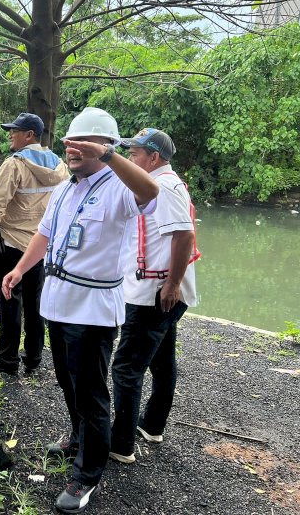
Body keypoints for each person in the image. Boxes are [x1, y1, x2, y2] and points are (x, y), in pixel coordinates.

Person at [1, 107, 159, 514]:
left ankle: (87, 475)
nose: (72, 150)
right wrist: (20, 269)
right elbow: (44, 234)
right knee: (67, 382)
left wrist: (108, 156)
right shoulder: (64, 189)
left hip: (92, 312)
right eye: (70, 143)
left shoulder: (119, 187)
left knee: (90, 393)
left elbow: (150, 190)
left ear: (105, 147)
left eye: (83, 144)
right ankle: (78, 437)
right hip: (58, 303)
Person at [109, 129, 199, 464]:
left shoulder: (164, 187)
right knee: (161, 360)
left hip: (154, 295)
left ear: (154, 157)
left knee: (126, 367)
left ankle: (120, 444)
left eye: (134, 154)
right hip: (159, 292)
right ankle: (152, 425)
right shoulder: (158, 184)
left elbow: (184, 235)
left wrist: (172, 284)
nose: (129, 158)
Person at [0, 113, 68, 374]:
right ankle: (34, 356)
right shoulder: (60, 166)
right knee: (35, 302)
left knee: (8, 301)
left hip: (11, 243)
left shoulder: (14, 164)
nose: (10, 134)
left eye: (15, 130)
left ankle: (8, 360)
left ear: (29, 135)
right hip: (41, 247)